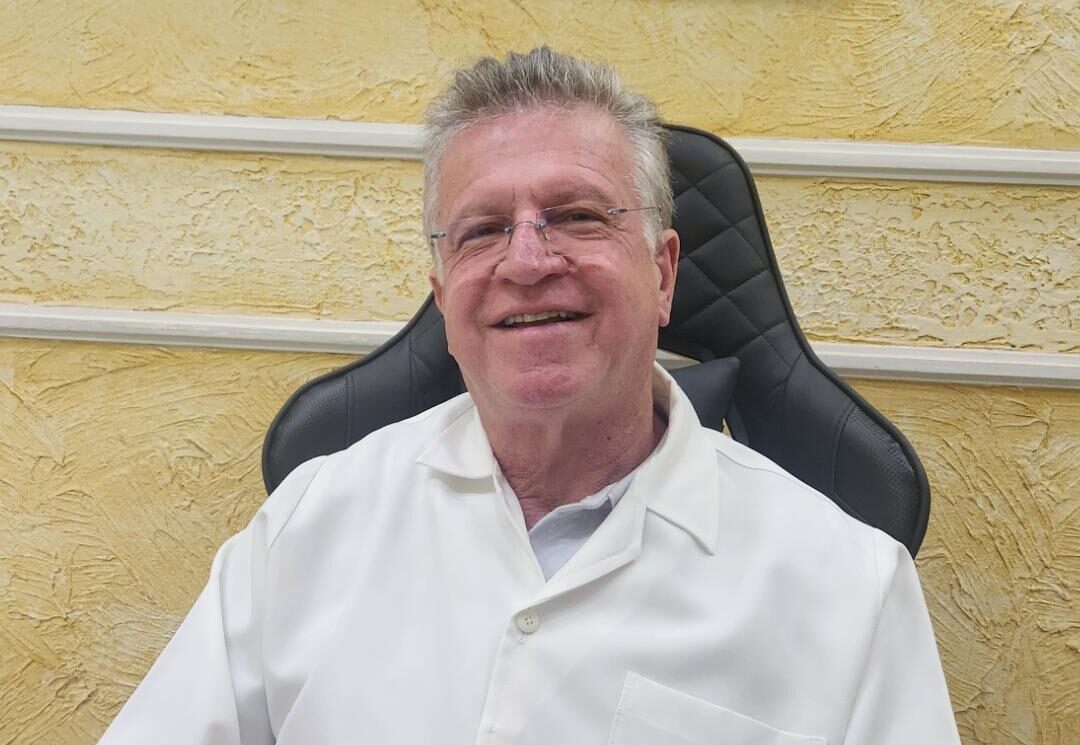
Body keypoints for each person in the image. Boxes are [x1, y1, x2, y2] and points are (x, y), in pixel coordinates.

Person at [99, 47, 961, 744]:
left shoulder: (850, 589)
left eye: (578, 215)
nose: (526, 260)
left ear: (663, 274)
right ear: (444, 295)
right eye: (482, 230)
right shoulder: (305, 527)